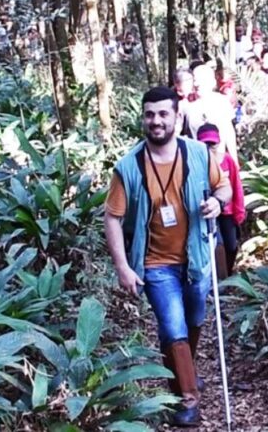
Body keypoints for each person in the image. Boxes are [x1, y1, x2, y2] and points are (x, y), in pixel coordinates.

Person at [103, 86, 232, 427]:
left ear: (176, 117)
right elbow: (112, 217)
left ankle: (182, 371)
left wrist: (217, 202)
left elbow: (225, 187)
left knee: (194, 320)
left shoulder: (198, 155)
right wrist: (123, 267)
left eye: (163, 114)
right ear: (142, 118)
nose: (156, 121)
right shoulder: (128, 167)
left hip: (197, 257)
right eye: (149, 114)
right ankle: (188, 398)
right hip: (155, 264)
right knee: (172, 325)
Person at [197, 123, 245, 278]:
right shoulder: (195, 162)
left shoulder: (228, 160)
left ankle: (229, 276)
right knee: (216, 244)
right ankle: (218, 281)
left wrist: (239, 211)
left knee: (231, 245)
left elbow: (236, 186)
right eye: (205, 143)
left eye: (213, 143)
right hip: (206, 211)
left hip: (227, 211)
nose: (209, 146)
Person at [184, 62, 239, 163]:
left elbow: (229, 132)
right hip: (196, 163)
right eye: (195, 80)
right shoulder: (187, 107)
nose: (197, 84)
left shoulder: (222, 102)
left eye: (201, 80)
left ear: (211, 82)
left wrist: (234, 161)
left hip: (219, 161)